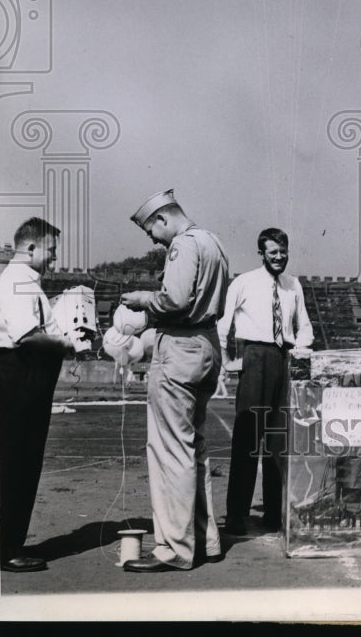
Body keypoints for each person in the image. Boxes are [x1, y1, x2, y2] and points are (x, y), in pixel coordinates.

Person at [120, 189, 229, 572]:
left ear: (163, 219)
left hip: (180, 349)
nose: (153, 239)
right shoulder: (212, 241)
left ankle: (174, 549)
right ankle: (206, 541)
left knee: (171, 453)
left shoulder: (183, 245)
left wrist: (142, 300)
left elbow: (176, 300)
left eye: (152, 230)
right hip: (207, 346)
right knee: (194, 449)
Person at [218, 227, 313, 534]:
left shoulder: (293, 285)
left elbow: (306, 327)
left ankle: (274, 513)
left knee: (279, 441)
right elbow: (224, 325)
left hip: (283, 358)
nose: (279, 257)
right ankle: (236, 516)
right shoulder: (243, 282)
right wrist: (227, 361)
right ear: (261, 253)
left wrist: (299, 348)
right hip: (254, 358)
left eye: (283, 252)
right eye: (273, 252)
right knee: (247, 439)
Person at [0, 217, 74, 572]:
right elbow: (28, 334)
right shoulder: (18, 282)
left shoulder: (26, 282)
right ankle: (7, 548)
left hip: (22, 375)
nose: (54, 260)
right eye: (51, 252)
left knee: (19, 461)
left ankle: (7, 543)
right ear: (31, 248)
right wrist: (66, 343)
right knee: (19, 462)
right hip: (19, 375)